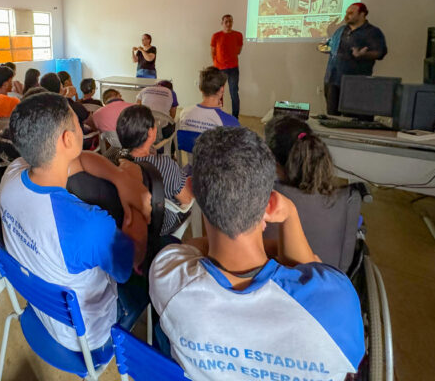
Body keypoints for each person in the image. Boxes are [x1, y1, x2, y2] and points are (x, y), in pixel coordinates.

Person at [149, 127, 365, 380]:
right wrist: (290, 217)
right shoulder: (338, 303)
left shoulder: (167, 276)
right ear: (270, 204)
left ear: (195, 193)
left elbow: (191, 248)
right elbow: (311, 270)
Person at [0, 92, 151, 354]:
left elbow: (76, 162)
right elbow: (134, 259)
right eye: (77, 124)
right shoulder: (89, 226)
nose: (82, 128)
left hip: (43, 309)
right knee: (154, 263)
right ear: (68, 139)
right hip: (87, 338)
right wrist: (135, 188)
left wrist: (119, 178)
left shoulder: (12, 175)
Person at [264, 115, 359, 272]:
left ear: (273, 160)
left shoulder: (262, 199)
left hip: (272, 287)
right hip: (328, 287)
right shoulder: (346, 201)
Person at [115, 105, 193, 236]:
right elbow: (186, 200)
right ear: (151, 133)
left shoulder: (112, 159)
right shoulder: (165, 165)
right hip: (160, 225)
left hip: (124, 222)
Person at [320, 2, 388, 115]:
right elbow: (329, 45)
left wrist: (363, 55)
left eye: (351, 13)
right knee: (332, 116)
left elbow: (380, 52)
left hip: (354, 83)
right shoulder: (341, 30)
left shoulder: (372, 32)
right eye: (346, 13)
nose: (347, 16)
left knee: (350, 117)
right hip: (332, 79)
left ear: (362, 14)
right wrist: (323, 47)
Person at [177, 67, 239, 152]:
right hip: (217, 165)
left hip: (193, 164)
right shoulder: (231, 122)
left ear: (200, 88)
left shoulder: (184, 113)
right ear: (222, 89)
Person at [210, 14, 244, 118]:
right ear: (222, 23)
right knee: (219, 94)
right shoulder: (216, 36)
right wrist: (217, 64)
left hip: (233, 68)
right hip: (220, 69)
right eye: (226, 22)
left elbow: (238, 51)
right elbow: (213, 52)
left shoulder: (238, 35)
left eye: (230, 21)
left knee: (234, 93)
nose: (228, 24)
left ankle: (235, 117)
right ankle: (218, 115)